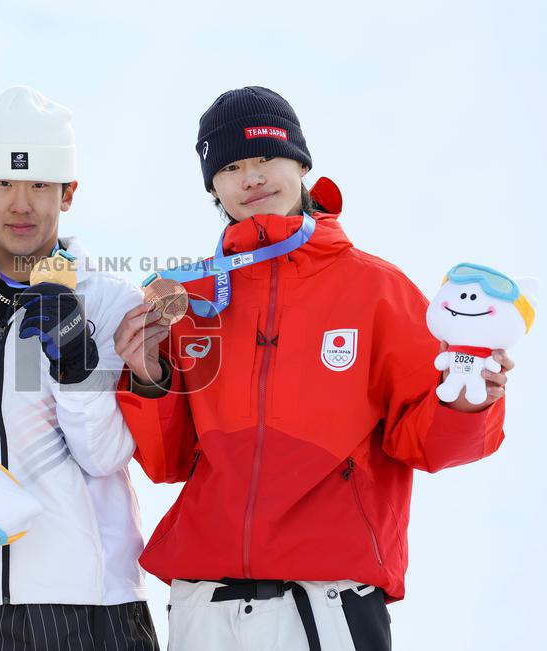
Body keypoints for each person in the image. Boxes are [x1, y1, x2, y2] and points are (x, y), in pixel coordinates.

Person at [112, 86, 513, 650]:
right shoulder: (187, 298)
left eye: (265, 157)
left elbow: (430, 445)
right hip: (205, 599)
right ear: (213, 187)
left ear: (300, 163)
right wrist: (148, 374)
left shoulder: (377, 288)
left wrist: (468, 401)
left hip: (328, 599)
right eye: (230, 166)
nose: (251, 177)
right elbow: (169, 461)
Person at [0, 86, 159, 650]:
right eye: (3, 183)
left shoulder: (111, 300)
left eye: (41, 184)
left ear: (68, 193)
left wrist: (75, 361)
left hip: (92, 606)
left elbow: (107, 455)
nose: (21, 204)